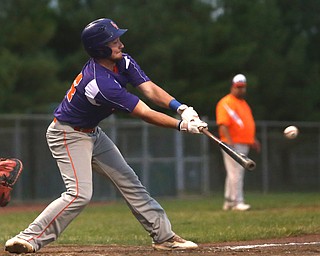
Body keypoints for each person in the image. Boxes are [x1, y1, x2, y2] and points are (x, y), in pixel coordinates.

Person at [4, 18, 207, 253]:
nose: (120, 44)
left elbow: (149, 89)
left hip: (93, 134)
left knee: (130, 183)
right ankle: (29, 237)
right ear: (100, 48)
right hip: (67, 135)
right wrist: (182, 126)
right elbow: (145, 113)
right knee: (79, 194)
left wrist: (181, 108)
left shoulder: (123, 62)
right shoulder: (100, 83)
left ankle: (164, 237)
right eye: (114, 41)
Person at [215, 74, 260, 211]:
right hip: (232, 144)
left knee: (233, 172)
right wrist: (229, 143)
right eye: (238, 87)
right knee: (236, 173)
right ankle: (237, 202)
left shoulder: (243, 104)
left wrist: (253, 140)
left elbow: (246, 124)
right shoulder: (226, 102)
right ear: (232, 87)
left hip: (243, 142)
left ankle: (229, 201)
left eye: (243, 87)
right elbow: (223, 124)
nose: (240, 90)